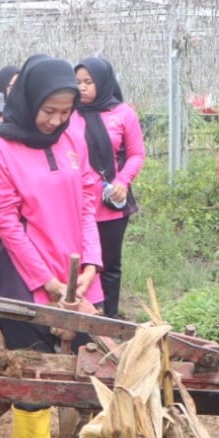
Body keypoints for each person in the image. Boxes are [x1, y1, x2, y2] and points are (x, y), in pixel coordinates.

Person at [0, 55, 102, 438]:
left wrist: (90, 263)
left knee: (92, 376)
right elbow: (7, 223)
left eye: (65, 112)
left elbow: (88, 203)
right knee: (33, 384)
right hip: (26, 280)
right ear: (28, 100)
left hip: (79, 276)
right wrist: (47, 281)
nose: (55, 120)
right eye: (48, 110)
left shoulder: (74, 138)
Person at [73, 56, 144, 318]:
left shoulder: (123, 114)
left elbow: (137, 154)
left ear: (103, 83)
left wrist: (122, 182)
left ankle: (110, 318)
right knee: (80, 262)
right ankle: (81, 316)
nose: (82, 87)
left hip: (110, 203)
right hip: (77, 204)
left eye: (88, 82)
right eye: (77, 82)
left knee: (109, 264)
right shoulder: (68, 114)